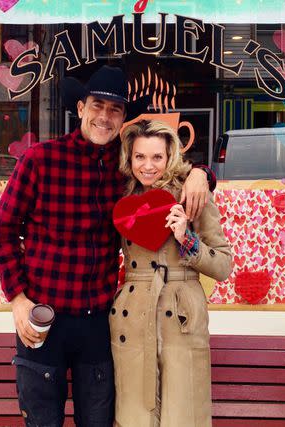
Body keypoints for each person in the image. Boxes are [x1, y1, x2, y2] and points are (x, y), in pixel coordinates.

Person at [0, 65, 215, 427]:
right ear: (80, 108)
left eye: (115, 109)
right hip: (43, 319)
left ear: (124, 117)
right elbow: (1, 232)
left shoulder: (127, 168)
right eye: (97, 105)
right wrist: (17, 299)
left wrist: (203, 173)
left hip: (98, 324)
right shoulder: (40, 160)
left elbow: (168, 166)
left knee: (97, 422)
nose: (105, 117)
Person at [110, 120, 232, 426]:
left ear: (170, 157)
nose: (148, 166)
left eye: (157, 157)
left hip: (181, 314)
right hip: (132, 313)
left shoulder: (192, 194)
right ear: (129, 157)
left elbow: (223, 266)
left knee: (183, 413)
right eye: (140, 157)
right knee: (134, 413)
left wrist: (186, 239)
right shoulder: (121, 195)